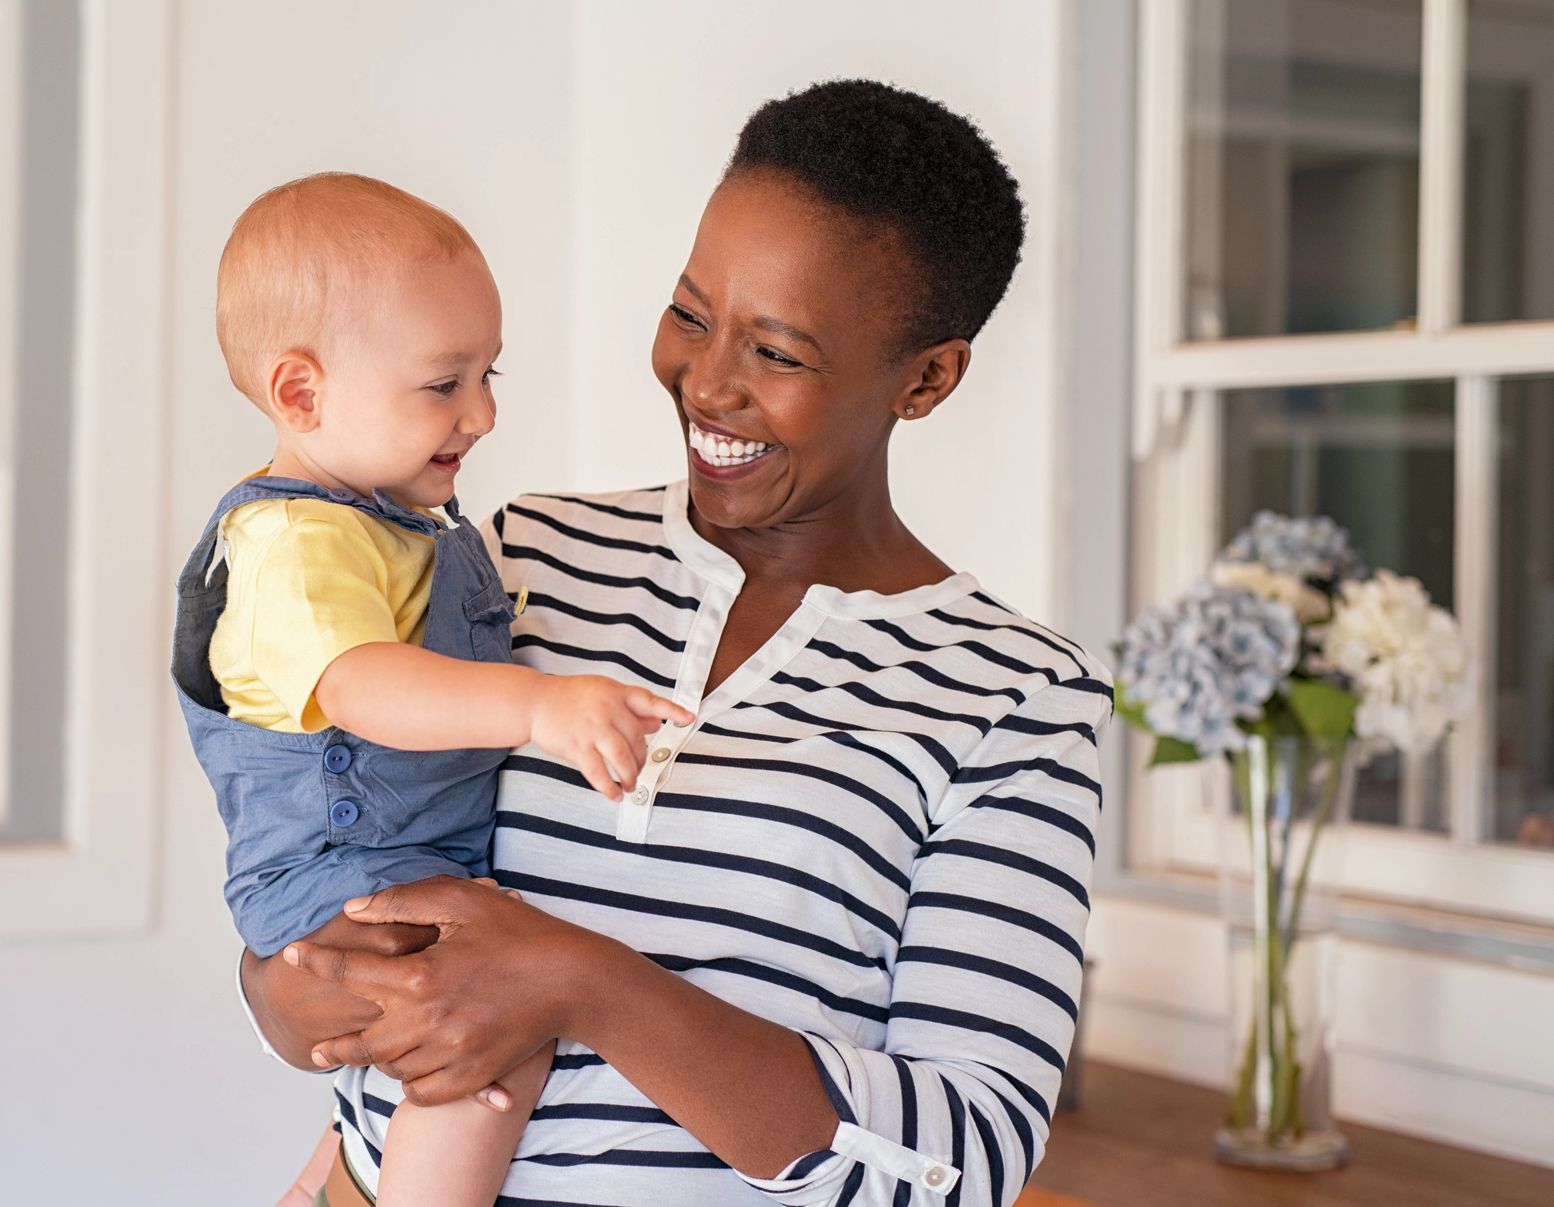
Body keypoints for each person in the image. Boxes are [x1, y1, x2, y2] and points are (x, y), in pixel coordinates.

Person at [239, 81, 1113, 1207]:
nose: (706, 382)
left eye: (779, 352)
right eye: (691, 315)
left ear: (925, 377)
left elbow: (970, 1153)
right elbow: (321, 825)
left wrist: (586, 985)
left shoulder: (1014, 698)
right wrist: (277, 990)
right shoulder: (508, 558)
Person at [172, 173, 694, 1207]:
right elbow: (365, 687)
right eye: (443, 383)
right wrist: (540, 707)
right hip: (340, 866)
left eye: (489, 375)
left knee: (460, 1035)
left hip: (398, 856)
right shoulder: (289, 540)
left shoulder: (397, 524)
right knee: (485, 1045)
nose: (484, 413)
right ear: (299, 394)